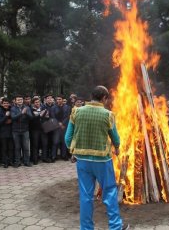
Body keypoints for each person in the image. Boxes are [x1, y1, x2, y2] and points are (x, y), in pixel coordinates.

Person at [64, 86, 129, 230]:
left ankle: (86, 228)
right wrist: (117, 147)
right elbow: (115, 138)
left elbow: (68, 137)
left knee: (86, 195)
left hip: (83, 161)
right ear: (104, 98)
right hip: (102, 160)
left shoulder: (76, 111)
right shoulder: (108, 114)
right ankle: (115, 226)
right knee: (110, 192)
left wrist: (73, 152)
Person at [11, 95, 33, 167]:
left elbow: (31, 118)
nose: (19, 101)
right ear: (15, 101)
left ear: (22, 100)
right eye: (18, 100)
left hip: (25, 130)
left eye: (21, 100)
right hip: (16, 131)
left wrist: (26, 113)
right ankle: (17, 162)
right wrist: (21, 113)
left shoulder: (27, 108)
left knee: (26, 147)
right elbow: (13, 117)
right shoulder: (13, 108)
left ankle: (26, 161)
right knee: (17, 147)